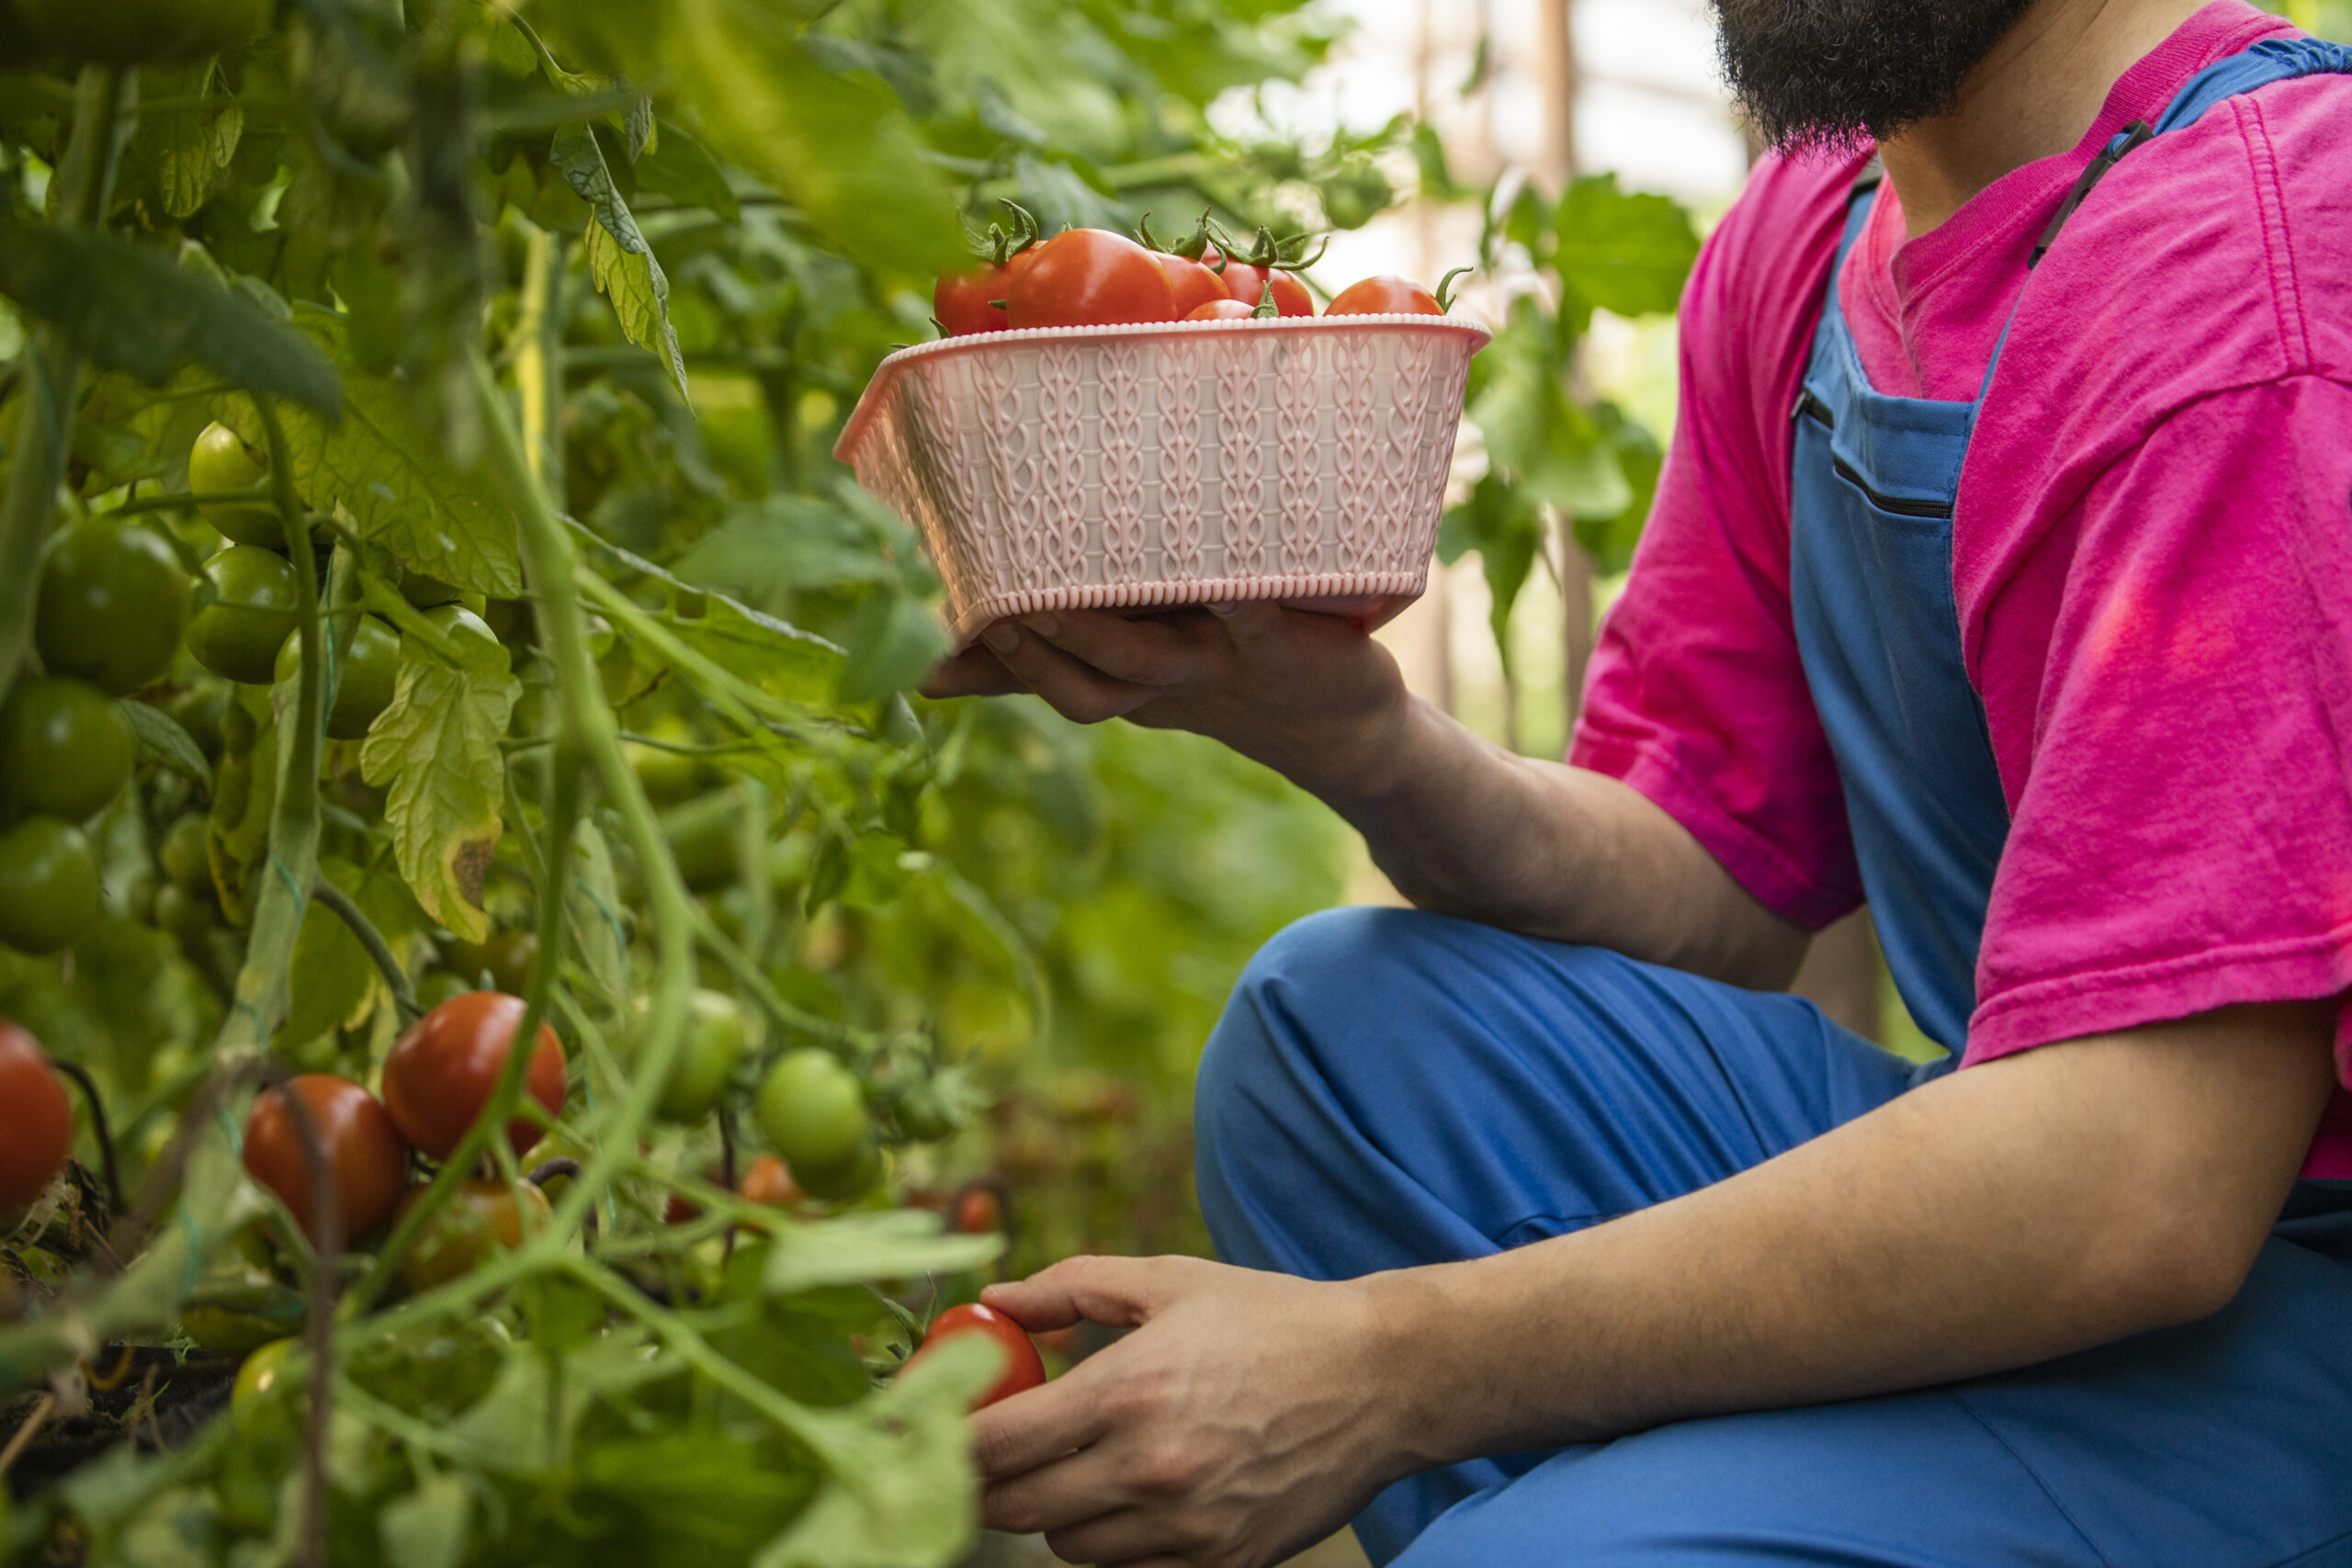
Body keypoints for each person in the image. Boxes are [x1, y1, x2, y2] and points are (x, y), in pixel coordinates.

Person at [924, 0, 2352, 1558]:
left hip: (2271, 1281)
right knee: (1341, 1039)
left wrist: (1384, 1371)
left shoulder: (2255, 289)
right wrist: (1351, 734)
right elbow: (1718, 872)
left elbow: (2141, 1177)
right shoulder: (1817, 235)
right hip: (2077, 1159)